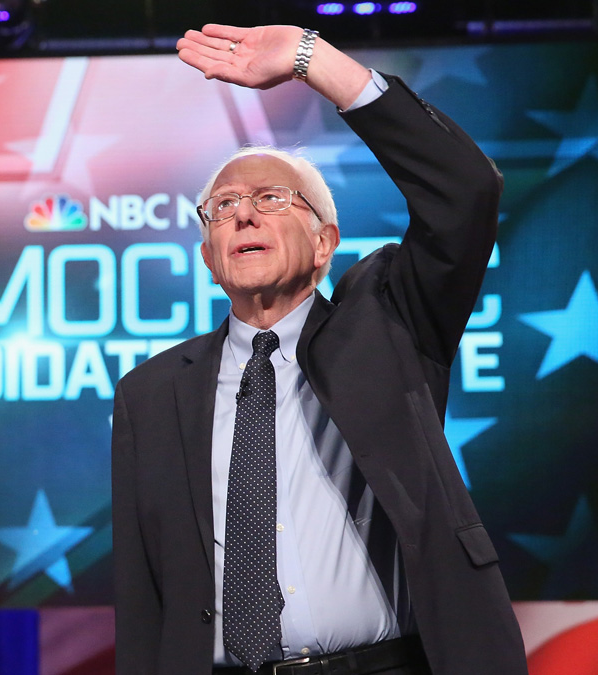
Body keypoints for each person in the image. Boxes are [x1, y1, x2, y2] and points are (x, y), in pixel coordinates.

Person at [111, 24, 528, 675]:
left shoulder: (390, 325)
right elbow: (142, 599)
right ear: (209, 258)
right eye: (223, 206)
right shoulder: (151, 393)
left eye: (270, 199)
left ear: (324, 243)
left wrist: (313, 60)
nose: (244, 215)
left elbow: (465, 190)